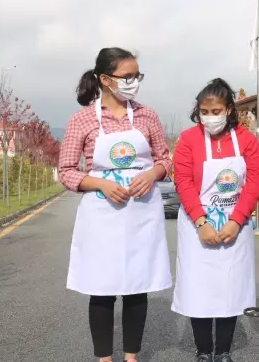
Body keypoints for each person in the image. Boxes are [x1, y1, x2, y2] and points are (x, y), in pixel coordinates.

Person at [58, 47, 173, 362]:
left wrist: (151, 174)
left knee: (138, 284)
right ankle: (104, 358)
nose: (134, 82)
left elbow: (164, 159)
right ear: (106, 79)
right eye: (127, 76)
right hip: (102, 214)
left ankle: (132, 356)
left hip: (141, 212)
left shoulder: (148, 115)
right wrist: (102, 184)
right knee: (103, 286)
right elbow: (66, 171)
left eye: (137, 75)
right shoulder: (82, 120)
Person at [171, 78, 259, 362]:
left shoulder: (247, 140)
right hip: (197, 225)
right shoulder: (188, 140)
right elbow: (184, 182)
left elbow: (254, 181)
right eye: (204, 111)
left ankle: (223, 351)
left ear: (230, 109)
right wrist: (201, 223)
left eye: (216, 111)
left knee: (230, 289)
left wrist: (236, 221)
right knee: (199, 290)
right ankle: (203, 351)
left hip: (235, 226)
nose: (210, 117)